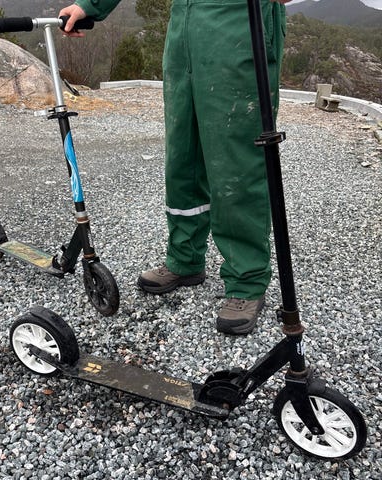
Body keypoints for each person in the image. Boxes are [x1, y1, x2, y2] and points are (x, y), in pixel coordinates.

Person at [60, 0, 292, 335]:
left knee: (236, 161)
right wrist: (91, 5)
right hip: (183, 24)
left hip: (240, 22)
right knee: (183, 155)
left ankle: (247, 280)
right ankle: (185, 259)